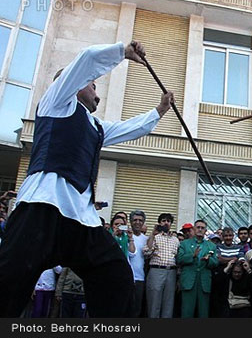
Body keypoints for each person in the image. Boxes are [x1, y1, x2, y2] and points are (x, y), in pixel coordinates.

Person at [0, 41, 173, 318]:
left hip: (82, 220)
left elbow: (130, 129)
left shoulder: (96, 126)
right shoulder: (56, 102)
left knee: (116, 276)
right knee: (8, 285)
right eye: (93, 86)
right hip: (41, 210)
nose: (98, 95)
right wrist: (123, 53)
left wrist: (160, 111)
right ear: (75, 84)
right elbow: (87, 59)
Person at [177, 219, 218, 318]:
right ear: (194, 229)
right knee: (187, 311)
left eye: (202, 228)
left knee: (203, 312)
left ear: (205, 231)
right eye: (198, 227)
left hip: (204, 281)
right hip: (188, 281)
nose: (200, 229)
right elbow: (179, 259)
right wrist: (193, 256)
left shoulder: (211, 245)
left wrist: (208, 260)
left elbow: (216, 262)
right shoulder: (184, 244)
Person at [143, 213, 180, 318]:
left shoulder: (175, 240)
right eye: (163, 221)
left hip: (171, 272)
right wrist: (152, 235)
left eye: (168, 221)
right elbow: (146, 252)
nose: (166, 223)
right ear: (159, 223)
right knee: (154, 302)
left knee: (168, 303)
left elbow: (177, 257)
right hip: (156, 270)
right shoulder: (155, 237)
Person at [211, 227, 241, 317]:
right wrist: (234, 258)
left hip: (235, 279)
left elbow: (240, 258)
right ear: (222, 237)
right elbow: (219, 259)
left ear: (233, 236)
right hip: (220, 278)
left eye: (230, 235)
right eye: (226, 236)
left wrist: (226, 259)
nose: (228, 238)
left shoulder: (239, 247)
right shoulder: (217, 247)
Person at [128, 210, 148, 317]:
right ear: (130, 221)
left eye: (140, 220)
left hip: (140, 278)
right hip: (125, 277)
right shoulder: (125, 236)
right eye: (135, 220)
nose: (137, 222)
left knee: (136, 309)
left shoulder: (146, 239)